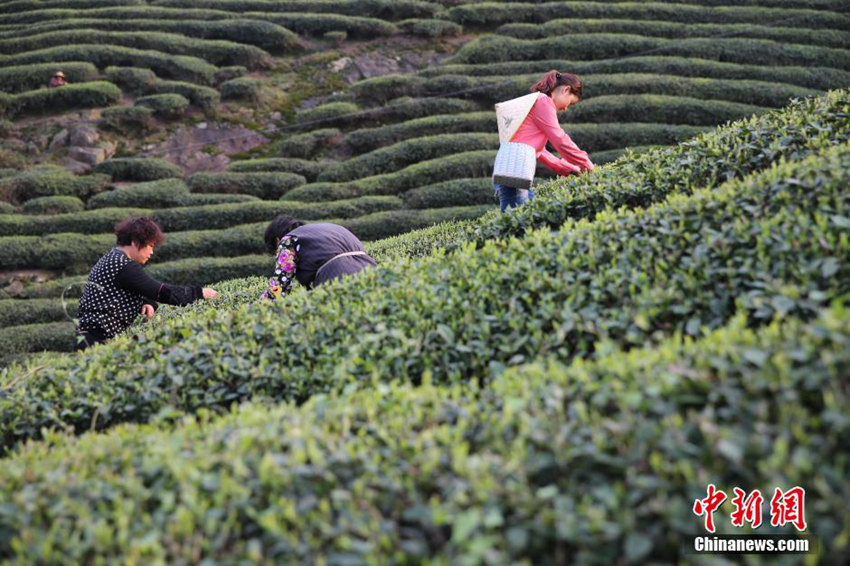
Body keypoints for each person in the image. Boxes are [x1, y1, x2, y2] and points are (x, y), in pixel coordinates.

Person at [75, 217, 218, 350]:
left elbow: (120, 293)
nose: (152, 252)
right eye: (150, 246)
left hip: (89, 334)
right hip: (97, 338)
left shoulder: (112, 258)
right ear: (135, 242)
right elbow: (162, 292)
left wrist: (145, 303)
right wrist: (200, 293)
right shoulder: (122, 265)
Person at [495, 70, 594, 213]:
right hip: (515, 171)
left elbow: (540, 152)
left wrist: (567, 169)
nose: (566, 108)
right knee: (518, 223)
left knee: (527, 216)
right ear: (566, 90)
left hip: (513, 169)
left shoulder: (536, 102)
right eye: (570, 103)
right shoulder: (543, 101)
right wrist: (586, 163)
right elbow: (559, 139)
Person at [261, 214, 377, 300]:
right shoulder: (330, 228)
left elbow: (281, 285)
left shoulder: (287, 240)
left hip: (338, 280)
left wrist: (257, 307)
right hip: (373, 272)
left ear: (277, 240)